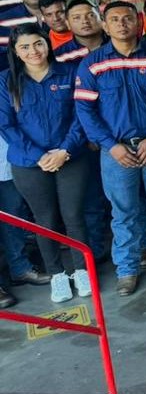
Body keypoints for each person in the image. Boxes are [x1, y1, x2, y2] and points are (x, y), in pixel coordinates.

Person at [74, 1, 146, 296]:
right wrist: (110, 146)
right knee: (123, 212)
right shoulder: (92, 63)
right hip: (116, 152)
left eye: (127, 18)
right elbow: (85, 110)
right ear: (105, 25)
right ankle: (127, 268)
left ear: (138, 22)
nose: (122, 24)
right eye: (114, 19)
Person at [0, 25, 90, 303]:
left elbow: (81, 115)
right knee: (45, 219)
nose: (33, 51)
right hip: (29, 163)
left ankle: (82, 270)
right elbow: (6, 125)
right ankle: (57, 274)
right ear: (15, 52)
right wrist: (40, 156)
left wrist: (65, 150)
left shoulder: (69, 73)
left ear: (47, 44)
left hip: (70, 156)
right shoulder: (6, 81)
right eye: (25, 47)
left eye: (38, 44)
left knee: (74, 215)